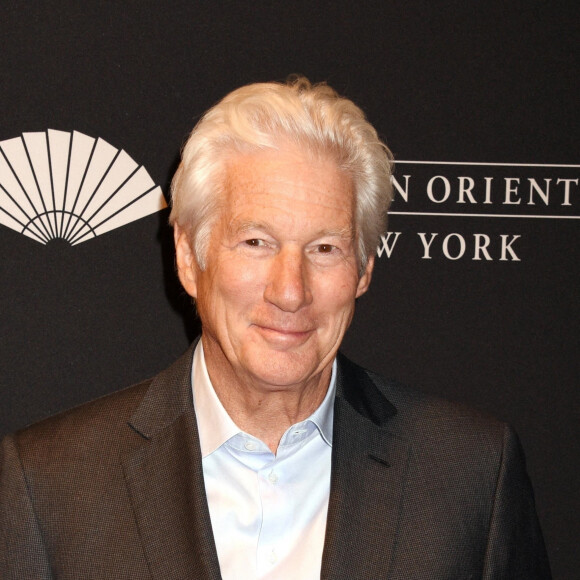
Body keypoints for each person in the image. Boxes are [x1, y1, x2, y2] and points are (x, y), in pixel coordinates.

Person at [0, 77, 550, 579]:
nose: (291, 290)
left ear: (364, 269)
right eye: (256, 242)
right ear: (189, 258)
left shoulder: (471, 474)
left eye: (325, 248)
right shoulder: (49, 484)